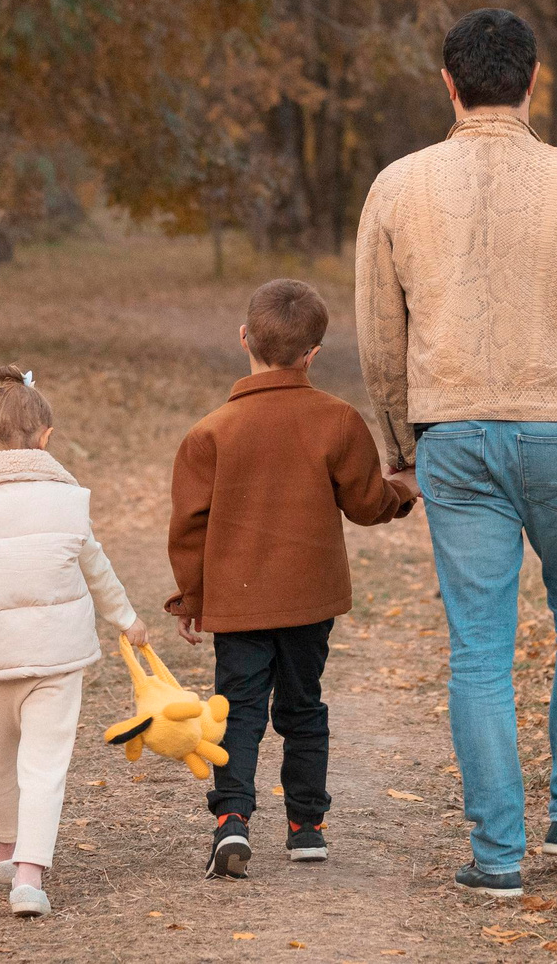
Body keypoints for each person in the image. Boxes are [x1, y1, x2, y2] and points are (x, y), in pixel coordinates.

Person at [353, 9, 557, 899]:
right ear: (533, 83)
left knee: (480, 650)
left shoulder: (397, 186)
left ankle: (495, 856)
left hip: (453, 435)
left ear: (449, 85)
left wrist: (396, 445)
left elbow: (381, 337)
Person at [166, 278, 418, 879]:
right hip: (310, 600)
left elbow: (189, 527)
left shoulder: (209, 433)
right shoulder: (335, 420)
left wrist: (192, 599)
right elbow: (365, 501)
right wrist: (403, 493)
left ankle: (231, 821)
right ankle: (307, 827)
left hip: (238, 604)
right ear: (313, 354)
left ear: (245, 338)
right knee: (304, 708)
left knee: (239, 710)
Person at [0, 365, 148, 918]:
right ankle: (29, 875)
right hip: (55, 658)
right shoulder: (67, 502)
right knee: (45, 764)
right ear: (45, 439)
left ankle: (3, 846)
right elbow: (96, 568)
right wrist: (127, 620)